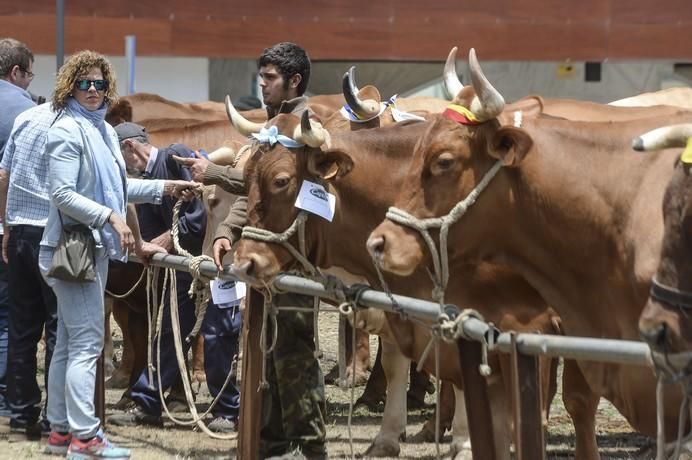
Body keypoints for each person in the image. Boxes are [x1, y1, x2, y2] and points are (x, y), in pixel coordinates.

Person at [37, 50, 197, 459]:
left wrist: (164, 189)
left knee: (70, 344)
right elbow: (62, 195)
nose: (92, 91)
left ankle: (59, 433)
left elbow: (118, 188)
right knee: (88, 344)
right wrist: (111, 217)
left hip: (90, 249)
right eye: (83, 83)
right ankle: (85, 438)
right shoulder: (66, 131)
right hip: (72, 250)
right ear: (68, 87)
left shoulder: (104, 131)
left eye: (99, 83)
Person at [177, 42, 327, 459]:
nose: (261, 85)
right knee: (270, 347)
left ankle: (312, 446)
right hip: (266, 255)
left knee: (293, 351)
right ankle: (273, 440)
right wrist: (227, 230)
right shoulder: (272, 125)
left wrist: (216, 173)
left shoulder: (308, 126)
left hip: (295, 255)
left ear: (294, 81)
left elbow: (291, 190)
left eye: (271, 78)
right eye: (261, 77)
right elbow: (256, 193)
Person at [107, 122, 241, 433]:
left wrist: (165, 242)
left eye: (119, 154)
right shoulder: (148, 179)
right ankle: (148, 402)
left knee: (220, 334)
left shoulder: (175, 157)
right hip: (183, 270)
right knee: (169, 331)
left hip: (212, 262)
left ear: (129, 148)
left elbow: (197, 217)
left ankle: (228, 409)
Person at [0, 102, 59, 441]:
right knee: (56, 328)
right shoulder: (77, 124)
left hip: (21, 229)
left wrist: (6, 226)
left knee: (22, 326)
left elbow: (3, 175)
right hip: (53, 232)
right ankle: (53, 417)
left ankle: (22, 414)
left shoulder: (25, 118)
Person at [0, 37, 36, 420]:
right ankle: (5, 395)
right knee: (10, 312)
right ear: (16, 72)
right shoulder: (26, 112)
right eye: (29, 75)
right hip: (9, 227)